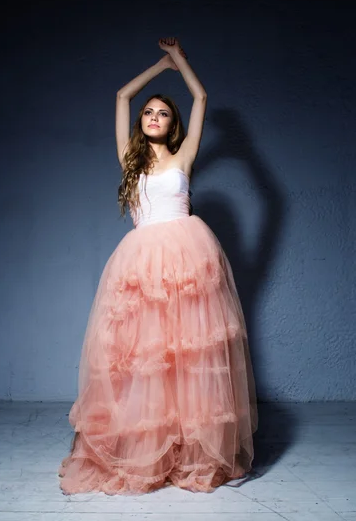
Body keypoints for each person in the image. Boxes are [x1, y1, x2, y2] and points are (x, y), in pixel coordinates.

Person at [58, 37, 258, 495]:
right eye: (149, 113)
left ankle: (191, 452)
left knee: (189, 358)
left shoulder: (185, 155)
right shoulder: (129, 159)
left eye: (162, 113)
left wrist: (182, 64)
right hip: (142, 265)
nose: (152, 117)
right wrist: (160, 65)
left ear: (173, 125)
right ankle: (148, 448)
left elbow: (202, 97)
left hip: (187, 257)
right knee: (145, 360)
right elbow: (121, 97)